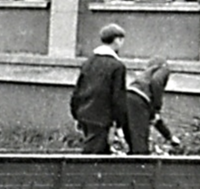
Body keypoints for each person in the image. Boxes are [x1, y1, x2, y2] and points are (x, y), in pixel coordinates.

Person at [70, 23, 129, 154]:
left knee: (97, 151)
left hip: (84, 113)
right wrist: (119, 121)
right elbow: (118, 97)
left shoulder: (89, 62)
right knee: (94, 155)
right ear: (117, 40)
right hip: (102, 117)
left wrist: (75, 112)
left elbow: (78, 89)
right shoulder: (117, 66)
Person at [123, 56, 181, 154]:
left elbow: (155, 119)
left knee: (132, 135)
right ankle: (141, 163)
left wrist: (169, 136)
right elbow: (157, 81)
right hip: (140, 99)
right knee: (140, 141)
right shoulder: (164, 68)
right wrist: (157, 107)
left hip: (127, 95)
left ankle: (132, 160)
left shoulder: (143, 78)